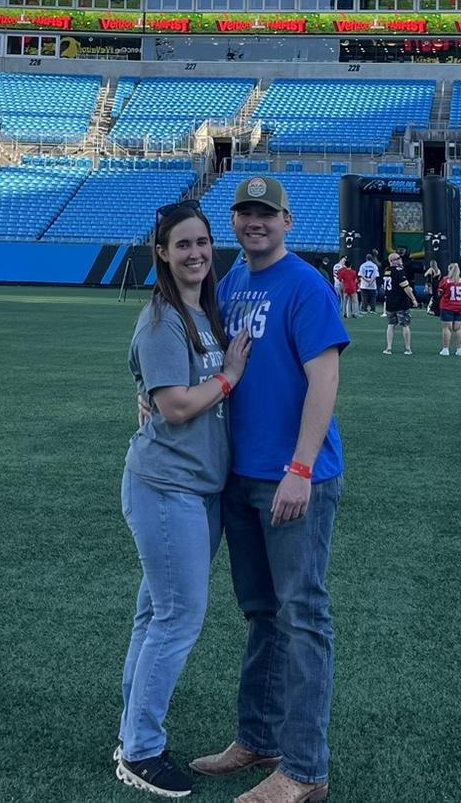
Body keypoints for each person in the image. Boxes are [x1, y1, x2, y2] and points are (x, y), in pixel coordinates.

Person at [191, 174, 346, 803]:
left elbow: (325, 381)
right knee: (262, 616)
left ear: (287, 221)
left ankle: (306, 770)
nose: (254, 222)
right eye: (244, 213)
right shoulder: (233, 283)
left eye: (266, 213)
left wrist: (301, 468)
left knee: (302, 616)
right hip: (242, 476)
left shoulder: (306, 285)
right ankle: (259, 737)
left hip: (292, 480)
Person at [116, 203, 252, 799]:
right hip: (165, 486)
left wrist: (144, 395)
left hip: (198, 489)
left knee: (156, 616)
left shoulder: (203, 310)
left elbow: (142, 385)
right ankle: (141, 751)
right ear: (162, 254)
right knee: (178, 617)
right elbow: (173, 405)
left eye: (202, 242)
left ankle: (131, 732)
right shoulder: (163, 319)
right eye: (182, 245)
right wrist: (230, 376)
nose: (195, 253)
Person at [383, 250, 413, 356]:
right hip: (401, 302)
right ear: (392, 261)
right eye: (398, 259)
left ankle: (389, 347)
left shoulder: (386, 270)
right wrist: (413, 299)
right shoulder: (399, 271)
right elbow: (405, 287)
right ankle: (408, 348)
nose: (400, 260)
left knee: (391, 325)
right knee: (405, 325)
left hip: (390, 302)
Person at [437, 262, 461, 356]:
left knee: (447, 328)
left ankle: (445, 349)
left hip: (447, 306)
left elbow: (440, 293)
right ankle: (459, 350)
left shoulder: (445, 281)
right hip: (460, 306)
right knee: (459, 329)